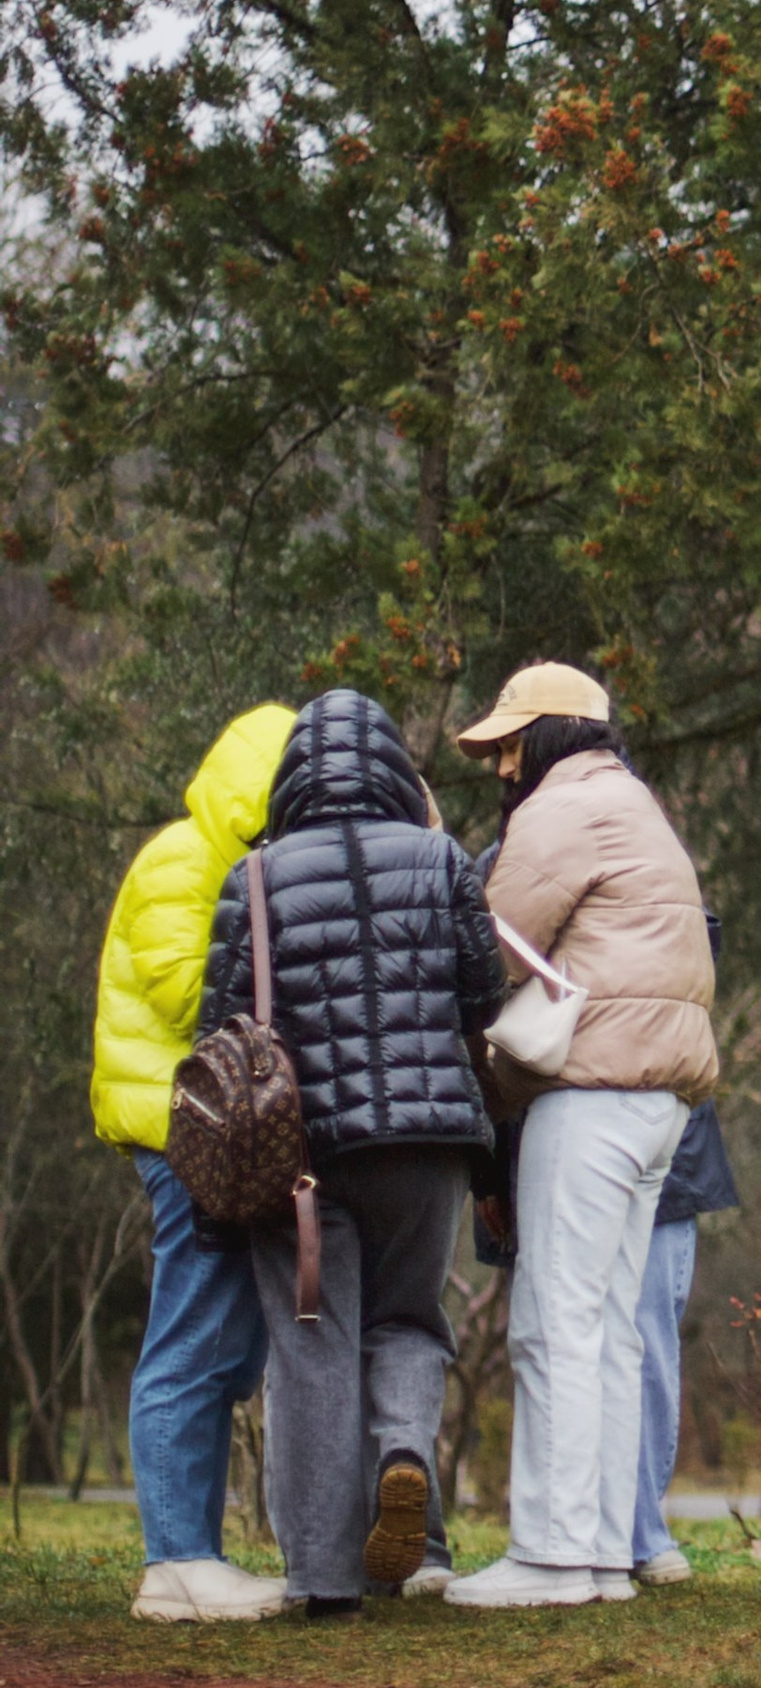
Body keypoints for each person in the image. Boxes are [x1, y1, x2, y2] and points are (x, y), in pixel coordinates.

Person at [196, 688, 505, 1616]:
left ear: (295, 776)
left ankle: (325, 1584)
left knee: (312, 1349)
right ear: (392, 769)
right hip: (429, 1141)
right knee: (409, 1322)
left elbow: (220, 1029)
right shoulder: (443, 857)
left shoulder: (254, 876)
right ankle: (405, 1451)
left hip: (304, 1158)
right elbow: (484, 1000)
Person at [446, 662, 720, 1611]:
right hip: (655, 1103)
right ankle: (601, 1552)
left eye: (512, 742)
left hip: (590, 1090)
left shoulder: (562, 811)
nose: (500, 765)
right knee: (607, 1329)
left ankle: (555, 1555)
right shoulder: (633, 804)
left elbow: (488, 941)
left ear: (558, 734)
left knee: (554, 1321)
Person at [90, 702, 297, 1623]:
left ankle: (192, 1553)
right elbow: (190, 999)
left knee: (226, 1341)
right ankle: (176, 1561)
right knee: (195, 1334)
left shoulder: (227, 858)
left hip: (209, 1124)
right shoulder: (185, 860)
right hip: (181, 1124)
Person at [629, 1096, 740, 1585]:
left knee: (648, 1345)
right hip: (562, 1145)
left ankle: (642, 1533)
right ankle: (601, 1533)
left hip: (663, 1153)